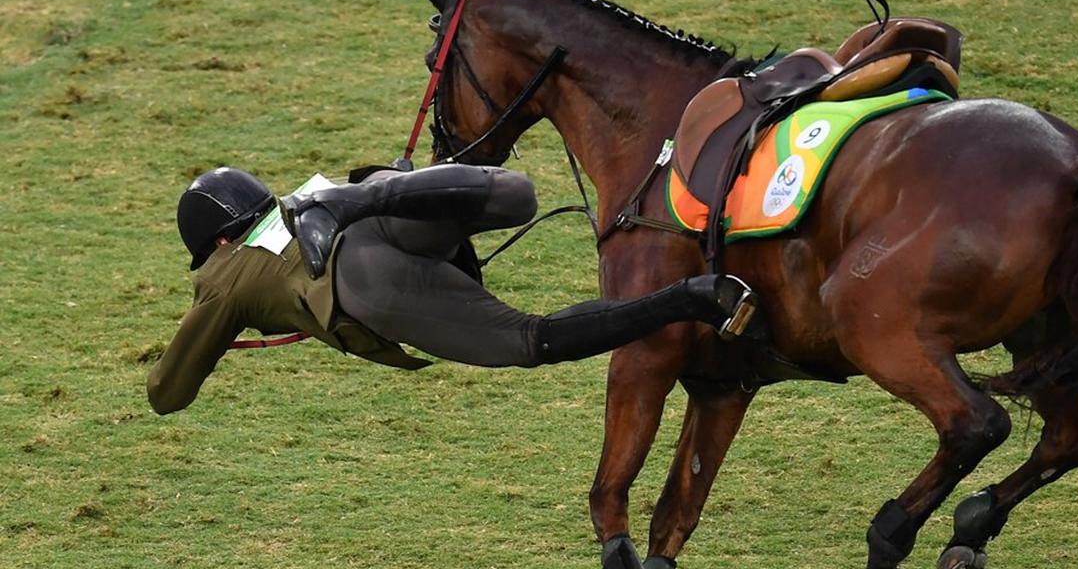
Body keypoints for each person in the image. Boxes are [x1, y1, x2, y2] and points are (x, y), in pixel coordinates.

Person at [147, 164, 757, 415]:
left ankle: (690, 298)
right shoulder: (296, 199)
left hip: (363, 280)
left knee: (529, 339)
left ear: (217, 241)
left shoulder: (220, 277)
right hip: (364, 208)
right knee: (519, 196)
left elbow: (167, 393)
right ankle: (369, 191)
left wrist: (217, 329)